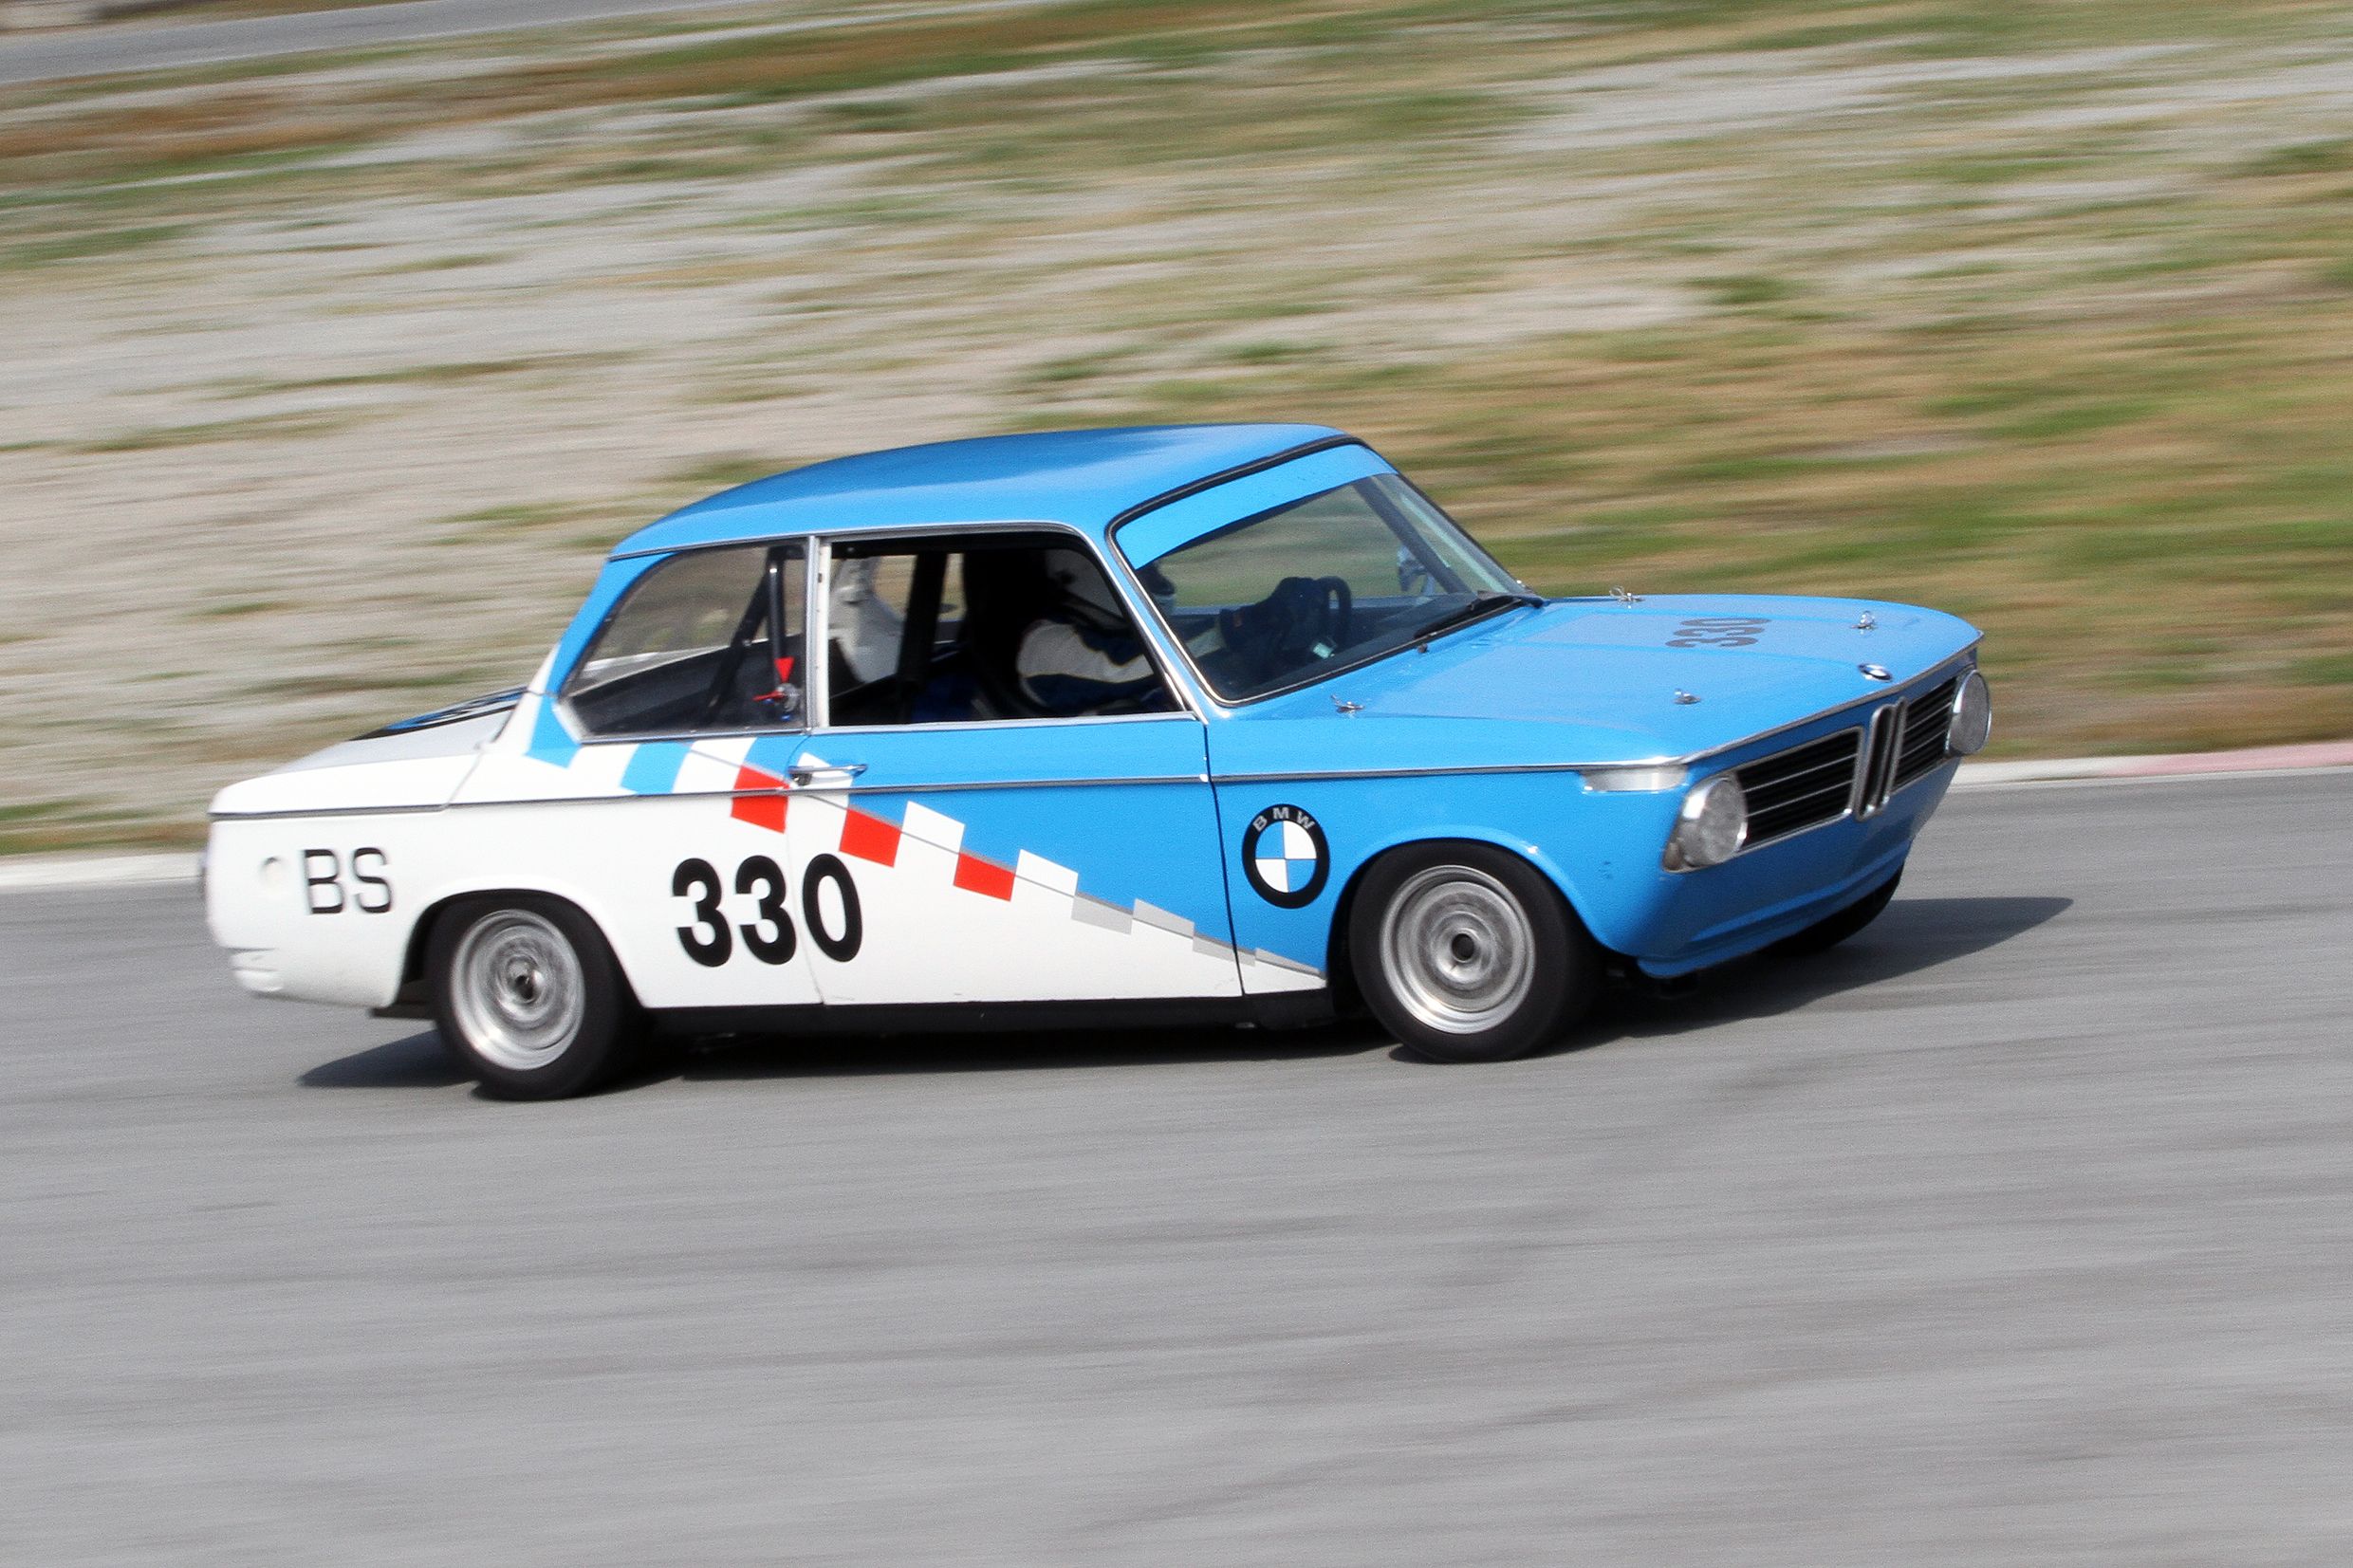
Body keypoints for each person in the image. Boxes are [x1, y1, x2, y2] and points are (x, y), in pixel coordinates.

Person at [1014, 549, 1167, 715]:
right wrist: (1191, 647)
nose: (1157, 584)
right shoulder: (1045, 643)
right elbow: (1127, 667)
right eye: (1145, 576)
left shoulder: (1107, 628)